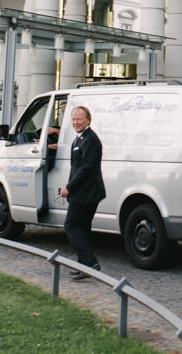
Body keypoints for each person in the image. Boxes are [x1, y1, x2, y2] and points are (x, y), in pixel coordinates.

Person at [59, 106, 106, 280]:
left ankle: (89, 262)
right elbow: (77, 168)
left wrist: (69, 187)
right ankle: (84, 265)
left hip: (87, 192)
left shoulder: (90, 140)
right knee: (83, 228)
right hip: (83, 191)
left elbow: (86, 169)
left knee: (71, 225)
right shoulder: (79, 139)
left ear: (88, 120)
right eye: (73, 120)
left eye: (79, 119)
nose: (76, 123)